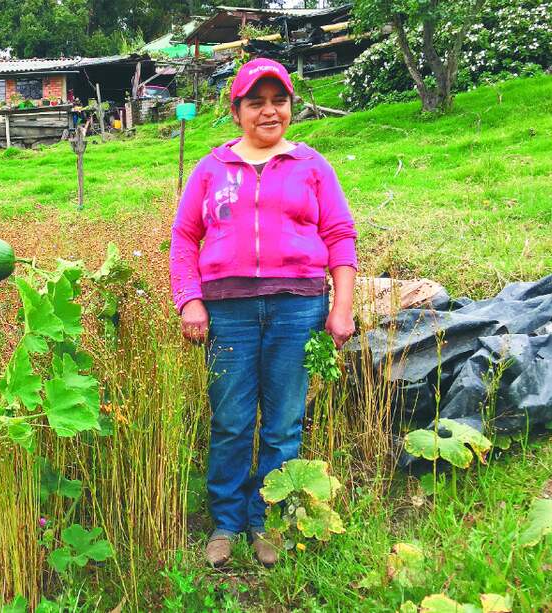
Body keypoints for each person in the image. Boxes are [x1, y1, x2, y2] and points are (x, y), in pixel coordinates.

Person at [169, 58, 357, 568]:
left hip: (298, 308)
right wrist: (190, 299)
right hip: (227, 311)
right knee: (231, 421)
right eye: (256, 103)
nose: (269, 111)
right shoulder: (211, 168)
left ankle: (267, 519)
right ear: (237, 112)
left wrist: (341, 307)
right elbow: (184, 238)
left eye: (279, 101)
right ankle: (227, 523)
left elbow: (340, 236)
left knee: (283, 424)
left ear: (291, 107)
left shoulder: (312, 166)